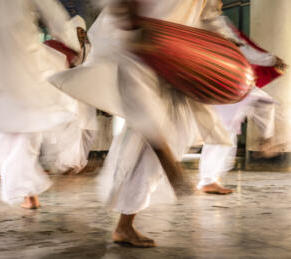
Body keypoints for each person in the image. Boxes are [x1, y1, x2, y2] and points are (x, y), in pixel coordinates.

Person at [50, 0, 235, 247]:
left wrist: (226, 50)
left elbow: (209, 15)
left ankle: (126, 222)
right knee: (146, 122)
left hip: (177, 55)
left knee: (162, 136)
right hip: (136, 44)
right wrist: (134, 26)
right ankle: (163, 163)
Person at [0, 0, 86, 209]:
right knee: (24, 126)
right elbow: (55, 17)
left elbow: (53, 15)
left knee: (16, 127)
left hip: (8, 66)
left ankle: (27, 191)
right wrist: (71, 44)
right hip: (24, 63)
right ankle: (27, 191)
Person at [196, 0, 285, 194]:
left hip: (227, 80)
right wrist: (270, 59)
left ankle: (211, 177)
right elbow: (236, 47)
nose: (219, 3)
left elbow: (238, 46)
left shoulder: (213, 19)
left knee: (228, 129)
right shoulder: (209, 20)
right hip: (222, 81)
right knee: (224, 130)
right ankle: (208, 179)